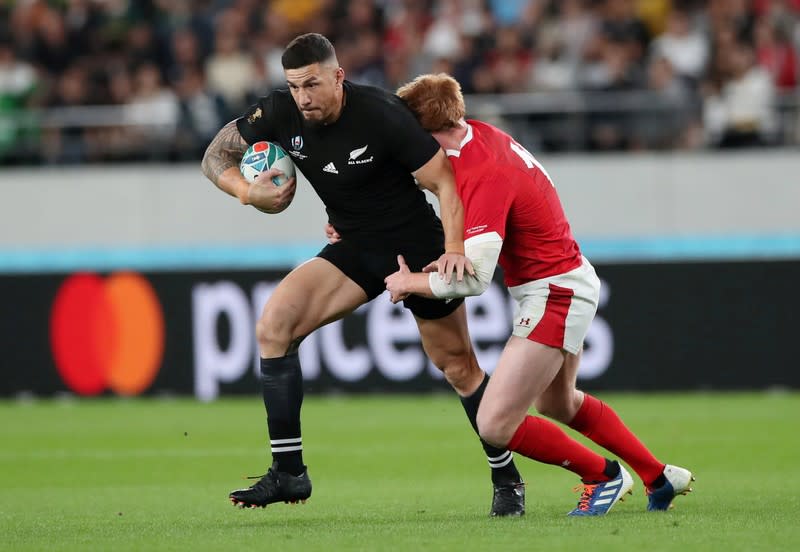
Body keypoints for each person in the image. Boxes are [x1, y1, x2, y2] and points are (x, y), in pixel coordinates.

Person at [200, 33, 526, 516]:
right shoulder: (278, 113)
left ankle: (507, 477)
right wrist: (248, 194)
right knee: (274, 327)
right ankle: (289, 472)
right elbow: (214, 157)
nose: (303, 97)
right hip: (353, 248)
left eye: (312, 84)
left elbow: (444, 181)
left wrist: (454, 249)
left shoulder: (382, 114)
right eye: (293, 86)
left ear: (338, 76)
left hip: (416, 249)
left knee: (457, 366)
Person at [385, 73, 695, 514]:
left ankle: (603, 476)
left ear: (425, 132)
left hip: (555, 292)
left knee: (494, 422)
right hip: (564, 280)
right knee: (559, 402)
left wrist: (407, 282)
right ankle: (657, 477)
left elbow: (474, 281)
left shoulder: (481, 172)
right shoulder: (482, 138)